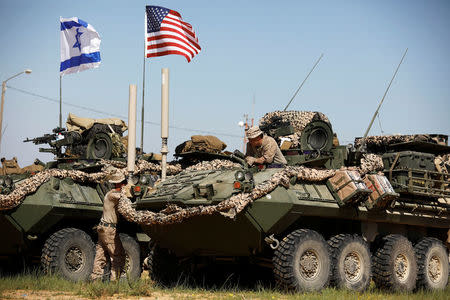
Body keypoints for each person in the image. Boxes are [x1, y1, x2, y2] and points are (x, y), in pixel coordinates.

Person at [90, 172, 127, 281]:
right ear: (120, 184)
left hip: (102, 228)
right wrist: (127, 189)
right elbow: (123, 197)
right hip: (109, 229)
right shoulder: (113, 195)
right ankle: (114, 282)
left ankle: (95, 280)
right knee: (118, 256)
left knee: (100, 257)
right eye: (123, 183)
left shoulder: (109, 194)